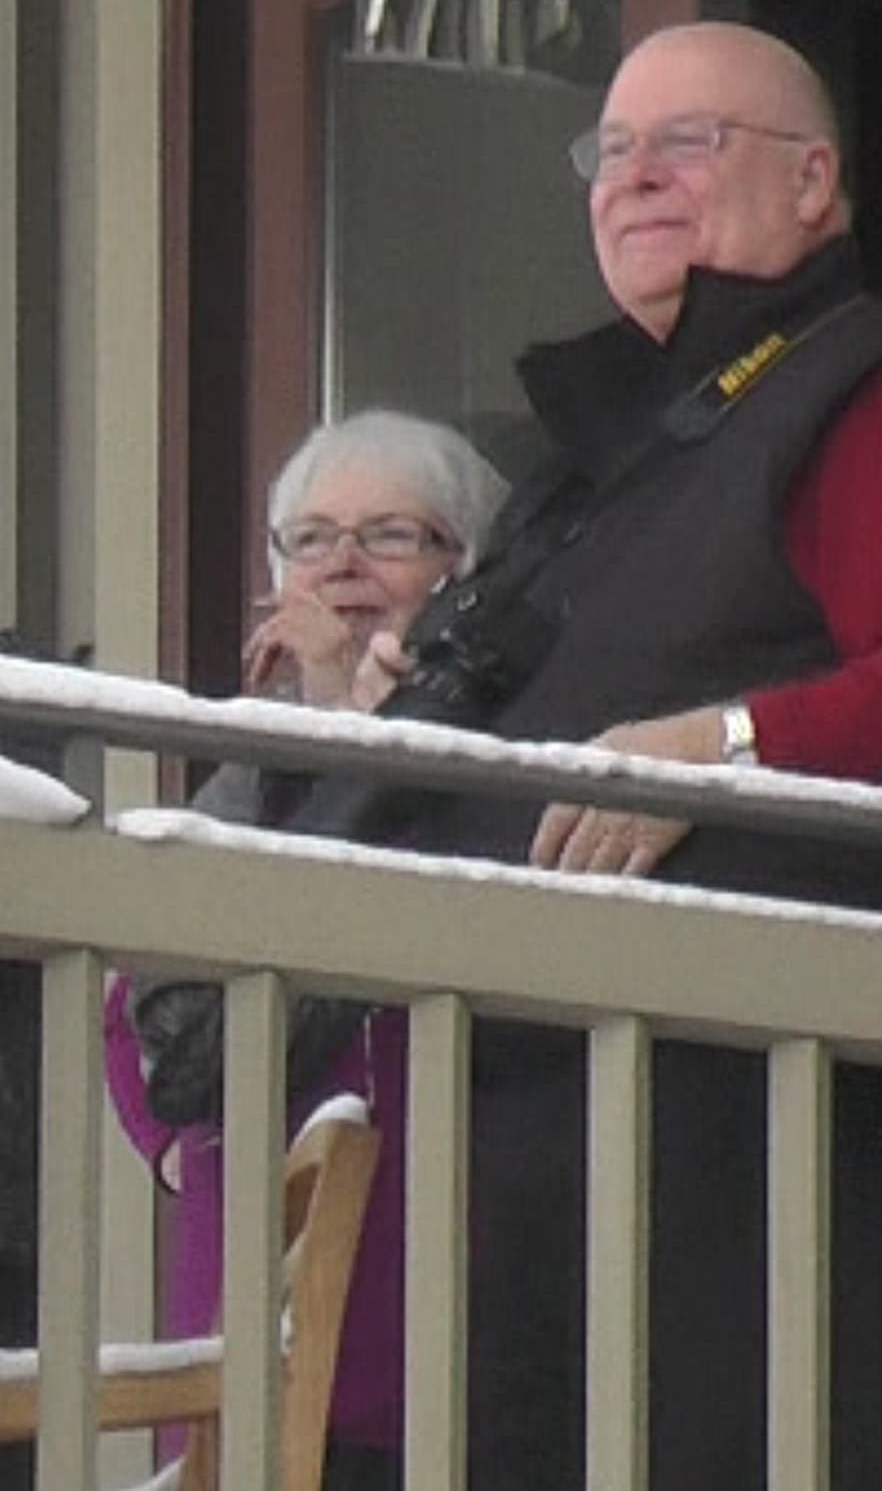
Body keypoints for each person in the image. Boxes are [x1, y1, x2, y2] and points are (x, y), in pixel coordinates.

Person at [276, 22, 882, 1491]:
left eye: (689, 142)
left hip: (756, 1184)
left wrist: (725, 744)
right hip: (535, 1200)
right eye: (612, 151)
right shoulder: (590, 472)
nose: (635, 177)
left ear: (813, 183)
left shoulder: (864, 390)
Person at [103, 409, 507, 1490]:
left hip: (427, 1275)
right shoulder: (250, 767)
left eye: (389, 535)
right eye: (311, 538)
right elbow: (131, 1005)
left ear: (463, 568)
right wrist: (179, 1150)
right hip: (246, 1274)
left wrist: (349, 715)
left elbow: (408, 899)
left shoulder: (493, 750)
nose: (342, 566)